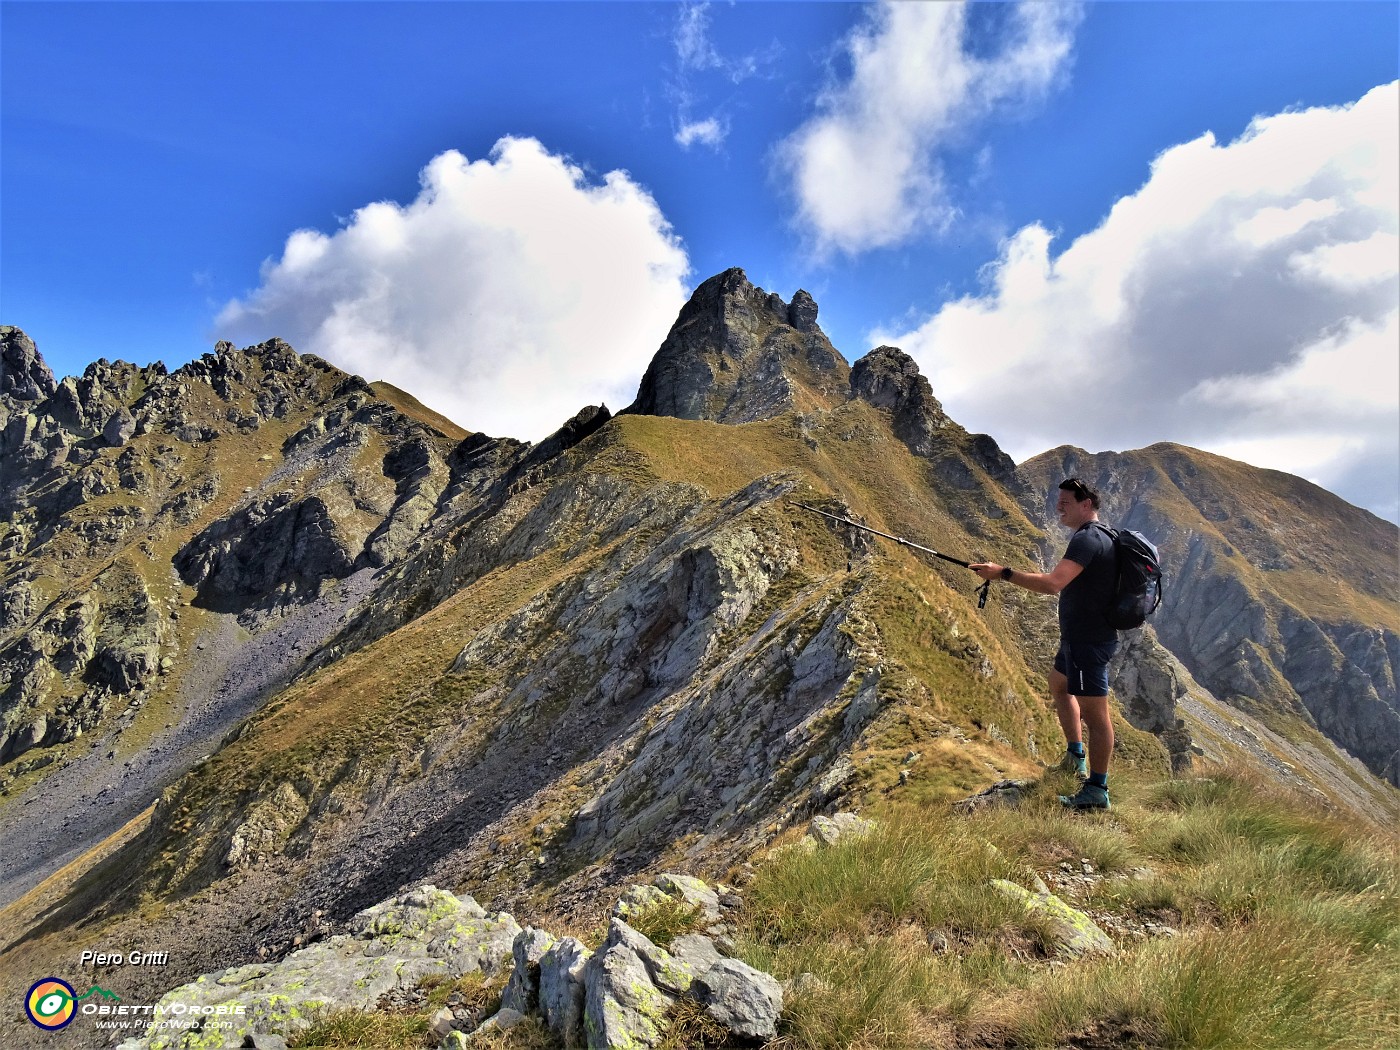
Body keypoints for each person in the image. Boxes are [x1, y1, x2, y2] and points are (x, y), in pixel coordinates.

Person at [971, 478, 1118, 810]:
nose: (1059, 508)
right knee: (1059, 684)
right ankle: (1075, 756)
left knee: (1096, 715)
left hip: (1088, 641)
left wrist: (1003, 573)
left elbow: (1054, 584)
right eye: (1058, 502)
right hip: (1078, 638)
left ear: (1087, 504)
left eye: (1066, 502)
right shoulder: (1099, 536)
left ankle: (1097, 790)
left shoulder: (1087, 540)